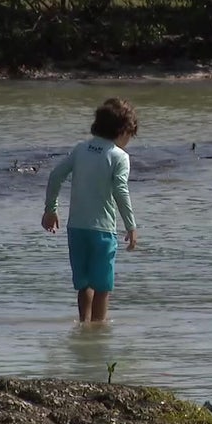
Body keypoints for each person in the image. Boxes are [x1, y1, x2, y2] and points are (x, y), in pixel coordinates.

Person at [42, 98, 139, 322]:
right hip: (102, 230)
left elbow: (55, 175)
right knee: (103, 286)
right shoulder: (119, 156)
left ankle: (83, 326)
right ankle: (98, 331)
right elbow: (120, 191)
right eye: (130, 135)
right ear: (123, 130)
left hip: (76, 228)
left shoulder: (80, 149)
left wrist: (51, 209)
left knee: (84, 283)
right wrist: (131, 226)